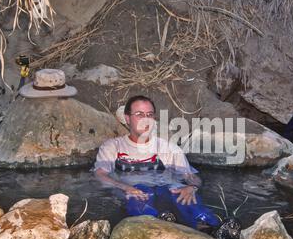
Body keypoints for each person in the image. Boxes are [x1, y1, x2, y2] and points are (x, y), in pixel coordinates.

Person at [93, 95, 221, 231]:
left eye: (149, 115)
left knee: (183, 196)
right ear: (127, 118)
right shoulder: (112, 147)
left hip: (165, 189)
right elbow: (100, 175)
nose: (145, 120)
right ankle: (161, 225)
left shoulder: (169, 149)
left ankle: (214, 226)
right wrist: (124, 187)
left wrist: (192, 188)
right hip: (134, 193)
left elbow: (190, 176)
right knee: (138, 197)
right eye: (139, 114)